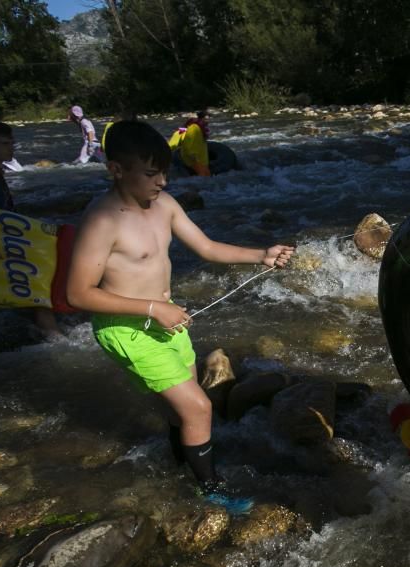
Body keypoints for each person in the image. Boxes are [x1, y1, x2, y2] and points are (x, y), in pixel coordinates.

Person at [65, 120, 295, 513]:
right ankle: (211, 491)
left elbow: (205, 247)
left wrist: (261, 255)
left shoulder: (165, 206)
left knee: (182, 409)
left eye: (165, 172)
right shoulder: (102, 220)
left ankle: (177, 469)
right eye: (152, 173)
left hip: (165, 321)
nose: (163, 183)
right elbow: (78, 293)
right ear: (116, 170)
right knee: (199, 408)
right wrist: (154, 308)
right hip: (128, 329)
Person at [0, 119, 64, 338]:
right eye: (4, 143)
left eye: (12, 142)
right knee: (34, 282)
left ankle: (45, 332)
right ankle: (54, 337)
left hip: (4, 240)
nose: (11, 147)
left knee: (30, 284)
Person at [168, 112, 211, 177]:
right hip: (194, 158)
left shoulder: (187, 129)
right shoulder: (194, 127)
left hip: (197, 158)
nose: (207, 120)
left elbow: (173, 142)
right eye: (205, 119)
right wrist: (193, 156)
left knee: (206, 175)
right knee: (204, 176)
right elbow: (187, 143)